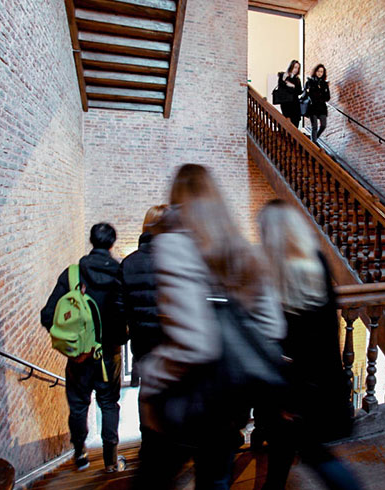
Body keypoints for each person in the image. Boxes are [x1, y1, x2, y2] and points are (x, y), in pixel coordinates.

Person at [136, 164, 285, 489]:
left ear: (178, 198)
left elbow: (195, 343)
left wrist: (151, 375)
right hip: (231, 401)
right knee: (216, 481)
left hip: (188, 396)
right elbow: (273, 326)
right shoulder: (242, 249)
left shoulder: (175, 244)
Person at [257, 200, 361, 490]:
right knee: (291, 454)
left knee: (313, 456)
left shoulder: (281, 274)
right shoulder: (317, 261)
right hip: (323, 378)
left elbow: (294, 344)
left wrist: (288, 400)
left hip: (297, 389)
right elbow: (327, 331)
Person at [40, 223, 127, 473]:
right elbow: (126, 318)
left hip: (79, 359)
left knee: (78, 405)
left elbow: (48, 316)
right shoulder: (120, 274)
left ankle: (80, 455)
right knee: (109, 404)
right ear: (111, 244)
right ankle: (111, 461)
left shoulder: (72, 275)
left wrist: (73, 349)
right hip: (109, 356)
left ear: (91, 241)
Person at [120, 204, 168, 388]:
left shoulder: (129, 263)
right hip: (174, 349)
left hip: (142, 348)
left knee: (149, 399)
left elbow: (120, 310)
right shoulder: (179, 260)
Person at [305, 64, 330, 142]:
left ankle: (313, 140)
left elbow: (328, 97)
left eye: (321, 72)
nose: (320, 73)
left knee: (323, 125)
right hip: (313, 107)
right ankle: (314, 143)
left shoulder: (325, 84)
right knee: (314, 126)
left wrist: (321, 94)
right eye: (318, 71)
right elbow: (308, 94)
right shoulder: (310, 81)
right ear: (315, 71)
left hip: (322, 107)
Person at [277, 59, 303, 127]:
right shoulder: (284, 76)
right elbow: (281, 88)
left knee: (295, 123)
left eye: (298, 68)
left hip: (295, 104)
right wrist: (284, 81)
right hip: (286, 104)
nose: (296, 69)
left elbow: (299, 91)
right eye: (295, 67)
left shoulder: (297, 80)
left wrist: (293, 86)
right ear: (291, 67)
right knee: (287, 124)